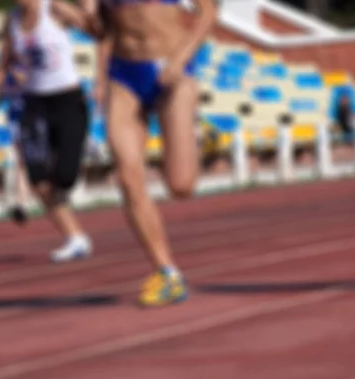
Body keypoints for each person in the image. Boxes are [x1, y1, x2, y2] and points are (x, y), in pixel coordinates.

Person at [91, 0, 218, 307]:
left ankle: (202, 137)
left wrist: (181, 58)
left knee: (181, 186)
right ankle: (167, 272)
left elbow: (208, 12)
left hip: (171, 70)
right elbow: (101, 29)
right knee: (127, 177)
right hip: (123, 77)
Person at [0, 0, 104, 262]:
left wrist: (101, 79)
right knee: (38, 177)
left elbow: (99, 34)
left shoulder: (54, 8)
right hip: (34, 103)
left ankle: (79, 143)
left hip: (67, 100)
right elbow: (6, 53)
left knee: (64, 178)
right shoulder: (12, 19)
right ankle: (75, 237)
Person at [0, 64, 31, 226]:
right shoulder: (4, 75)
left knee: (30, 162)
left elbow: (29, 82)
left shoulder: (26, 67)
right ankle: (21, 204)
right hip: (17, 122)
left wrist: (14, 71)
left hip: (36, 118)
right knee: (21, 163)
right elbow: (0, 95)